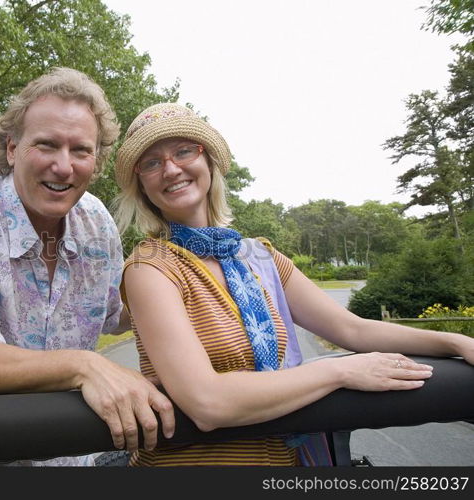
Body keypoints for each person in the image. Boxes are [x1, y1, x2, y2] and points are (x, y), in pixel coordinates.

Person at [113, 102, 474, 466]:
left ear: (209, 161)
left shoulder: (260, 257)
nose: (171, 168)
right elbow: (207, 402)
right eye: (152, 162)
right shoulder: (150, 268)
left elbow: (353, 329)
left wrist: (454, 341)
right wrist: (340, 371)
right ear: (142, 185)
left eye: (183, 151)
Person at [0, 68, 174, 466]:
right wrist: (84, 366)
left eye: (81, 151)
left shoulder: (95, 221)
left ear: (96, 159)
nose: (64, 167)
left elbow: (114, 314)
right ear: (13, 148)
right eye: (47, 145)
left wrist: (185, 284)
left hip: (70, 453)